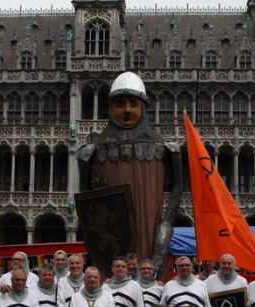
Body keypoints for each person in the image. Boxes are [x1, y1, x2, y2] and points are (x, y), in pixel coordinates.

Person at [77, 71, 183, 276]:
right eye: (120, 104)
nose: (127, 109)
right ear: (110, 108)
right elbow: (86, 206)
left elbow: (177, 191)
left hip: (151, 243)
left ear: (143, 107)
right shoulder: (89, 153)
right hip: (112, 250)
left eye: (133, 104)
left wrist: (162, 240)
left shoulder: (167, 150)